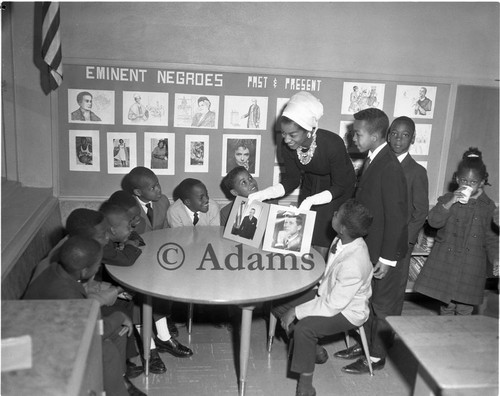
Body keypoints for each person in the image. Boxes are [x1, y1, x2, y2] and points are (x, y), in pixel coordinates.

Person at [271, 199, 373, 396]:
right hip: (330, 296)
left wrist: (297, 311)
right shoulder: (341, 239)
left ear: (342, 228)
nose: (333, 212)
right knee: (279, 306)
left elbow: (333, 305)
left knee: (304, 329)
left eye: (337, 214)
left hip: (348, 310)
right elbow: (329, 278)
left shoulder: (355, 262)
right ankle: (313, 350)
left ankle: (305, 386)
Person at [23, 236, 144, 396]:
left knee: (118, 333)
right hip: (48, 347)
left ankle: (120, 380)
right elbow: (96, 332)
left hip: (56, 330)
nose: (99, 266)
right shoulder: (68, 294)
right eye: (97, 264)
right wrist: (121, 316)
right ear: (85, 270)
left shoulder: (56, 271)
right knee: (107, 349)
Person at [337, 108, 408, 375]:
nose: (353, 137)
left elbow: (397, 217)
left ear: (377, 135)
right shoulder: (374, 159)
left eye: (358, 133)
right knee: (366, 302)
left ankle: (376, 357)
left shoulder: (389, 165)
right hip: (372, 248)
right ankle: (363, 345)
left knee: (382, 307)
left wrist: (388, 258)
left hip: (385, 254)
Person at [249, 91, 356, 258]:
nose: (286, 140)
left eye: (292, 135)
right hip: (311, 186)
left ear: (308, 130)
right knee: (304, 240)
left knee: (323, 243)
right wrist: (264, 194)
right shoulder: (287, 147)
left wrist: (312, 201)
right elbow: (292, 180)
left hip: (337, 192)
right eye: (283, 134)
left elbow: (341, 185)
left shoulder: (332, 143)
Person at [414, 148, 498, 315]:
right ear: (457, 179)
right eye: (464, 181)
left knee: (465, 309)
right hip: (448, 262)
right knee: (446, 305)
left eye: (473, 182)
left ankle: (459, 339)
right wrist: (450, 201)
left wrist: (496, 259)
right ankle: (445, 337)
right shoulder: (447, 199)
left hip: (471, 266)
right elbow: (433, 221)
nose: (467, 185)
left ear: (481, 182)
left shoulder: (488, 206)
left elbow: (492, 239)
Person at [121, 166, 170, 234]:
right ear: (138, 192)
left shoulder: (163, 201)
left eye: (157, 184)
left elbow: (166, 229)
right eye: (152, 188)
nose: (158, 189)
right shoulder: (129, 207)